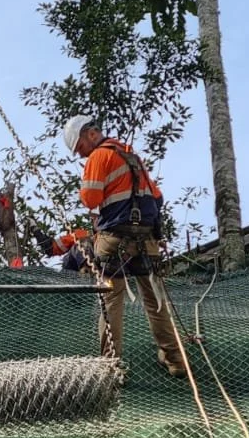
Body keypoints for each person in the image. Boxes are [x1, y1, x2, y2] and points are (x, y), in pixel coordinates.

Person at [61, 115, 188, 374]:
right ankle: (175, 360)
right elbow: (157, 197)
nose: (82, 156)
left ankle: (111, 366)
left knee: (111, 300)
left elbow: (90, 198)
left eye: (80, 148)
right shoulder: (132, 157)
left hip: (114, 240)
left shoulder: (99, 156)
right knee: (154, 301)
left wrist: (84, 189)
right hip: (146, 240)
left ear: (91, 135)